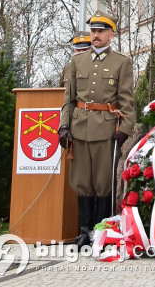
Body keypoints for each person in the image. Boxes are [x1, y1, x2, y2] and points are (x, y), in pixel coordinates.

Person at [58, 14, 135, 249]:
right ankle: (84, 231)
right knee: (82, 181)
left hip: (106, 130)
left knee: (103, 182)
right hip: (80, 129)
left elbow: (127, 101)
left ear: (111, 35)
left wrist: (126, 128)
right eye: (93, 31)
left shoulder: (121, 62)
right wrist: (64, 126)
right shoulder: (77, 64)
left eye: (101, 31)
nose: (96, 35)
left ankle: (102, 230)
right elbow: (68, 100)